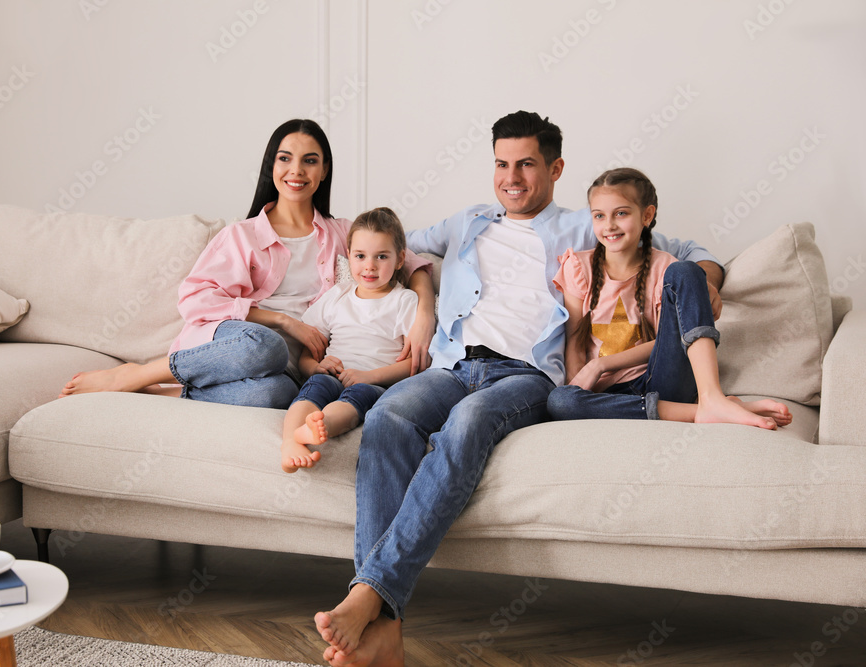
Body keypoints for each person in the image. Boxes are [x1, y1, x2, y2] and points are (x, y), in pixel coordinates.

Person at [313, 111, 725, 667]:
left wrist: (710, 284)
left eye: (526, 164)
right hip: (453, 365)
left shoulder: (587, 223)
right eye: (502, 164)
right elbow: (400, 248)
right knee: (388, 417)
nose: (512, 177)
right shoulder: (468, 221)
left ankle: (371, 596)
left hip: (527, 375)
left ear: (554, 168)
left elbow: (693, 252)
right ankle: (385, 628)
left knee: (467, 424)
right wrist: (424, 306)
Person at [59, 119, 434, 408]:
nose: (296, 171)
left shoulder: (343, 233)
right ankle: (134, 374)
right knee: (266, 345)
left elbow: (411, 263)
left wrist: (423, 318)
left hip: (291, 364)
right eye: (285, 158)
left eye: (310, 161)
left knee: (276, 397)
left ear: (323, 172)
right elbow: (194, 299)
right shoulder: (243, 236)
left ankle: (164, 393)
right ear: (272, 165)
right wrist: (284, 321)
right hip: (244, 341)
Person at [547, 168, 791, 428]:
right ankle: (702, 411)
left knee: (686, 270)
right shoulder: (578, 267)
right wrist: (581, 384)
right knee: (561, 401)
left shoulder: (665, 269)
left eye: (621, 213)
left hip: (661, 380)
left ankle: (712, 397)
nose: (609, 225)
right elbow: (574, 341)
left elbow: (671, 340)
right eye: (599, 215)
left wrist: (602, 365)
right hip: (606, 395)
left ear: (647, 215)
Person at [281, 207, 418, 473]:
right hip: (332, 373)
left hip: (372, 382)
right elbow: (308, 352)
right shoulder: (338, 294)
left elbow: (415, 364)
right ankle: (291, 441)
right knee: (315, 386)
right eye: (360, 256)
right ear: (349, 256)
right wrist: (317, 367)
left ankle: (321, 427)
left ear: (400, 259)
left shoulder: (404, 301)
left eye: (381, 256)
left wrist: (371, 376)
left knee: (356, 398)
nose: (369, 265)